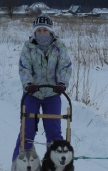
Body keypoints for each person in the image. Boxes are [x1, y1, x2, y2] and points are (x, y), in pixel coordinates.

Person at [12, 14, 72, 162]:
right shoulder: (29, 47)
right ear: (35, 32)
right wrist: (28, 85)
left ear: (51, 32)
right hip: (32, 94)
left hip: (52, 94)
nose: (42, 33)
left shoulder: (59, 47)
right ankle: (19, 166)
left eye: (45, 30)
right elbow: (24, 68)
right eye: (39, 31)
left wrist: (62, 84)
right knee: (27, 132)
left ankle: (55, 169)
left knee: (54, 134)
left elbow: (65, 67)